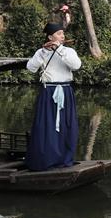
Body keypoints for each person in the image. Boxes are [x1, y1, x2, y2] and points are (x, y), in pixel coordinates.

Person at [25, 23, 82, 171]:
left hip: (65, 92)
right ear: (50, 37)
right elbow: (31, 68)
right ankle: (46, 160)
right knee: (46, 127)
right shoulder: (41, 51)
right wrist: (44, 52)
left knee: (67, 126)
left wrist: (59, 50)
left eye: (63, 33)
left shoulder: (68, 51)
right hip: (48, 93)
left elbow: (76, 65)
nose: (62, 36)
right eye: (59, 33)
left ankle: (64, 160)